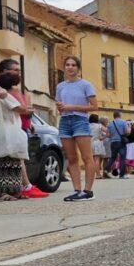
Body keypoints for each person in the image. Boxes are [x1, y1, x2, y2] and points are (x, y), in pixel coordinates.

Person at [0, 59, 48, 198]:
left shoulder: (11, 89)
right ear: (4, 72)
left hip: (16, 127)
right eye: (15, 70)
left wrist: (29, 119)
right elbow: (19, 108)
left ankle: (18, 189)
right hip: (8, 128)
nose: (18, 73)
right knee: (11, 159)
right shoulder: (3, 91)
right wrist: (28, 111)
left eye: (19, 70)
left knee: (15, 159)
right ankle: (13, 189)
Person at [55, 55, 98, 201]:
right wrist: (60, 107)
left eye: (73, 65)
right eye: (67, 65)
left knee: (87, 157)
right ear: (64, 68)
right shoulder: (60, 86)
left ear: (78, 68)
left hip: (80, 120)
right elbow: (60, 107)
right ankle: (77, 190)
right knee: (71, 158)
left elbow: (94, 106)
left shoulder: (85, 85)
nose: (70, 67)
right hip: (64, 121)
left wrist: (72, 107)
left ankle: (88, 191)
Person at [106, 111, 131, 178]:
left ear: (114, 116)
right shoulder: (124, 122)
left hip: (113, 142)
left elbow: (108, 135)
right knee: (122, 158)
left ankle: (106, 169)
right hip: (121, 142)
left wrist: (114, 135)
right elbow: (127, 132)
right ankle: (122, 175)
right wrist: (129, 128)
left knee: (113, 157)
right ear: (120, 115)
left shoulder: (110, 124)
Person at [89, 113, 107, 178]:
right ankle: (98, 174)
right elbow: (108, 132)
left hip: (89, 143)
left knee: (89, 160)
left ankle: (90, 174)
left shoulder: (87, 125)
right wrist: (103, 137)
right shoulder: (99, 126)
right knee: (96, 159)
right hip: (97, 142)